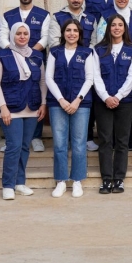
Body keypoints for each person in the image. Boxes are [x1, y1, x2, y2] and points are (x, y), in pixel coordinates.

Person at [0, 23, 46, 200]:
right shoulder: (2, 55)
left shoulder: (37, 56)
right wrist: (3, 107)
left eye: (25, 33)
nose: (22, 36)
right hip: (11, 109)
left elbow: (42, 81)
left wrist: (43, 104)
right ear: (12, 35)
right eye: (18, 34)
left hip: (32, 108)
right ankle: (8, 185)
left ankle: (19, 182)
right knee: (14, 146)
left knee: (24, 146)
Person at [0, 0, 50, 153]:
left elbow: (45, 37)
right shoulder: (8, 15)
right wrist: (14, 52)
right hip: (11, 60)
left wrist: (30, 53)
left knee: (35, 94)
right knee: (12, 92)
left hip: (35, 58)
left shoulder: (43, 15)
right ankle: (11, 138)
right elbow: (2, 36)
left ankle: (36, 137)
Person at [45, 19, 96, 198]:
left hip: (80, 104)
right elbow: (49, 78)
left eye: (75, 30)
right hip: (57, 104)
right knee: (59, 144)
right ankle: (60, 180)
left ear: (80, 34)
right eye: (68, 30)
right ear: (63, 33)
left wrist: (77, 100)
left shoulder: (86, 52)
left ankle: (77, 180)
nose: (71, 33)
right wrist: (60, 99)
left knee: (79, 143)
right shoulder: (55, 52)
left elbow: (90, 78)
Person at [92, 14, 132, 194]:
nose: (117, 28)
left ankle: (119, 178)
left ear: (125, 28)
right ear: (108, 28)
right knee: (105, 140)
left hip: (125, 102)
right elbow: (96, 76)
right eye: (113, 25)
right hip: (102, 101)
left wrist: (117, 96)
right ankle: (106, 179)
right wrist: (106, 97)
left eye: (120, 25)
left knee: (122, 140)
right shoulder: (98, 49)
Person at [95, 0, 132, 153]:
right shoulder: (105, 16)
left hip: (130, 62)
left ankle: (126, 141)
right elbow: (100, 38)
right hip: (109, 63)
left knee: (128, 109)